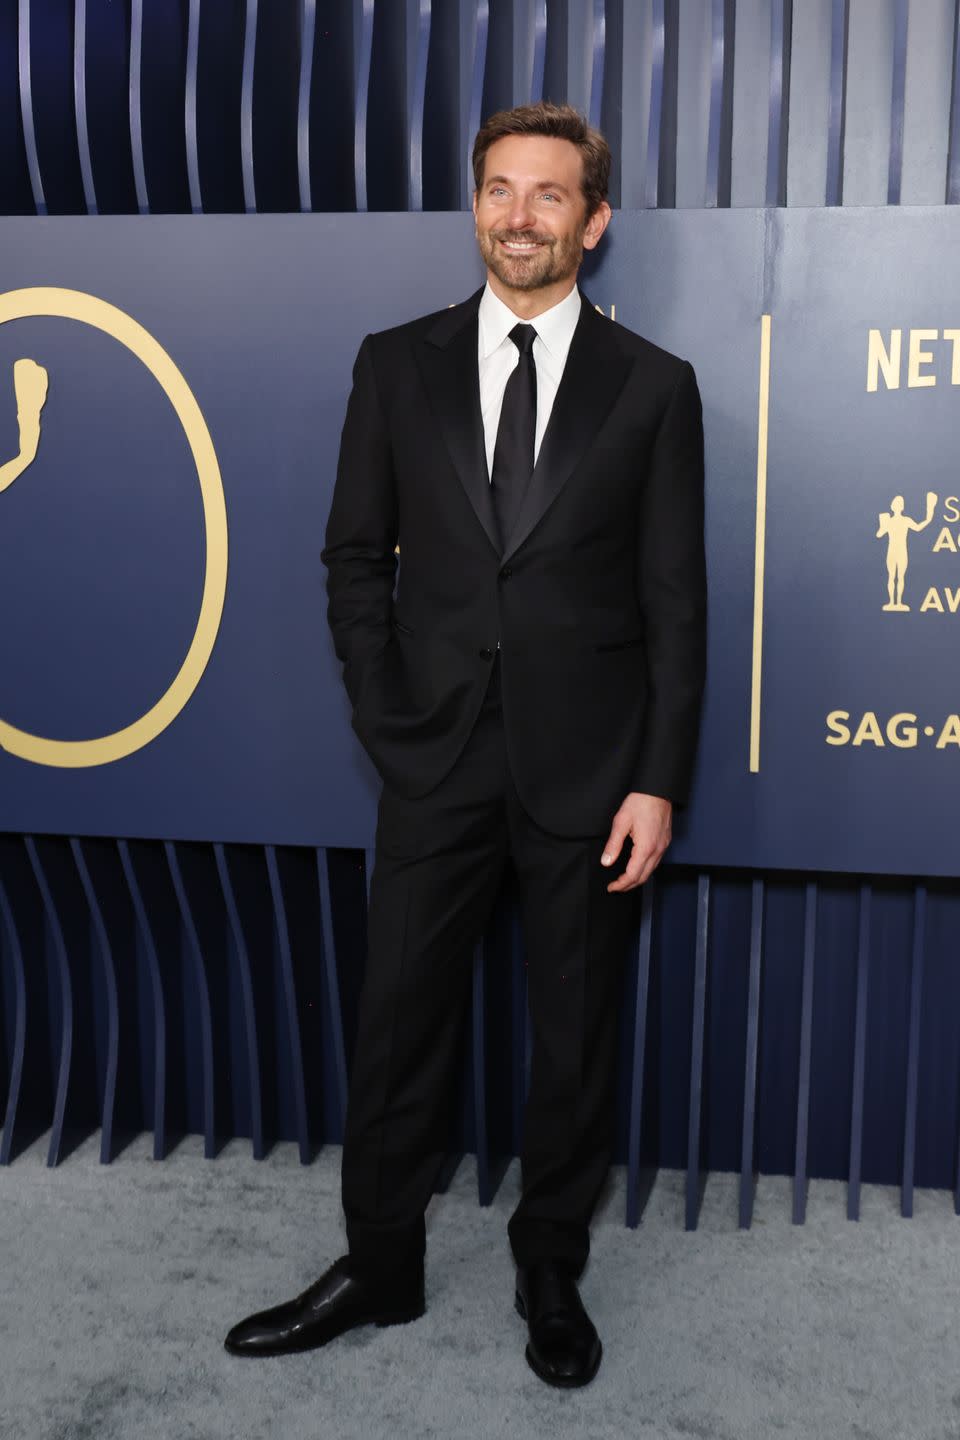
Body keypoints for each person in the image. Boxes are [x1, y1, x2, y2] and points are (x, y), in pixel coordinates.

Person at [224, 100, 706, 1388]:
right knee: (396, 1028)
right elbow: (350, 559)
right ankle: (378, 1264)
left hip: (593, 774)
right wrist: (386, 713)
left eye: (550, 196)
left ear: (593, 223)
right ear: (476, 205)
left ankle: (552, 1265)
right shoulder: (398, 363)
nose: (519, 216)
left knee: (574, 1035)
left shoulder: (655, 387)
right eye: (500, 189)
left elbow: (675, 601)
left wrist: (658, 777)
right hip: (431, 761)